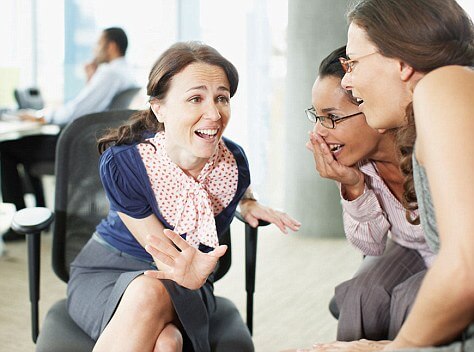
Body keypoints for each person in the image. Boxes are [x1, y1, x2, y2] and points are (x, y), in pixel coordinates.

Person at [66, 41, 301, 352]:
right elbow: (165, 257)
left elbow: (230, 188)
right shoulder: (125, 163)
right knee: (166, 341)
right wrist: (193, 273)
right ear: (159, 108)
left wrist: (247, 202)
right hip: (109, 270)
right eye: (195, 98)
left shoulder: (234, 164)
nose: (214, 114)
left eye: (222, 98)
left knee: (154, 301)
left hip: (186, 282)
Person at [310, 0, 474, 351]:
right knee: (366, 291)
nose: (349, 82)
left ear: (400, 61)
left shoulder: (443, 84)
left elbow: (464, 270)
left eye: (352, 63)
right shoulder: (430, 112)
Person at [305, 45, 435, 341]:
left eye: (332, 117)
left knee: (410, 300)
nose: (319, 133)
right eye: (316, 116)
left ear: (373, 106)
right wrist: (353, 186)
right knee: (360, 293)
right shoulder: (359, 164)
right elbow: (371, 246)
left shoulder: (429, 149)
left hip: (456, 253)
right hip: (408, 247)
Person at [0, 27, 138, 241]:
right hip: (90, 145)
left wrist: (39, 116)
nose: (95, 49)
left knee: (6, 149)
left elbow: (75, 111)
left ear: (111, 46)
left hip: (74, 148)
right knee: (25, 147)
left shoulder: (109, 72)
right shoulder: (124, 72)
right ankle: (36, 217)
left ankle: (20, 225)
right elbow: (92, 108)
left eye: (98, 44)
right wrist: (91, 79)